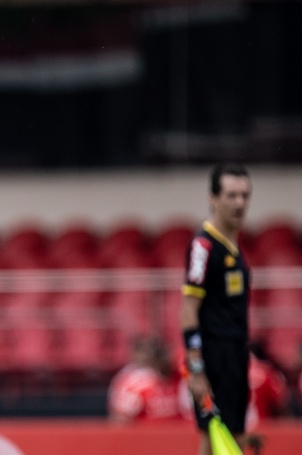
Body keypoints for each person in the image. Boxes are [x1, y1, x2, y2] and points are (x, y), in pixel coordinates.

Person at [179, 163, 251, 455]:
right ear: (213, 198)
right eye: (231, 195)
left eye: (245, 196)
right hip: (214, 356)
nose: (239, 203)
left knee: (233, 435)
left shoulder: (233, 245)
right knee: (213, 435)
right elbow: (188, 310)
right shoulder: (204, 247)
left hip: (235, 352)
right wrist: (196, 370)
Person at [108, 336, 183, 423]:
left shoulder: (182, 379)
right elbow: (120, 420)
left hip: (179, 433)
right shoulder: (136, 383)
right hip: (147, 434)